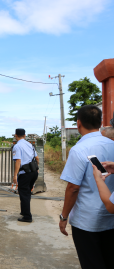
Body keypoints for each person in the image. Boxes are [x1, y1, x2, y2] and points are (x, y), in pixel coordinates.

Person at [59, 105, 114, 269]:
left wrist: (63, 217)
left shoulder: (78, 150)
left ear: (78, 123)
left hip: (87, 222)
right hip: (111, 218)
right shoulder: (112, 144)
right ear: (101, 122)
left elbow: (73, 188)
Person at [12, 128, 39, 223]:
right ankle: (24, 211)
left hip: (25, 173)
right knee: (26, 193)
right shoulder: (30, 145)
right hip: (34, 172)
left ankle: (27, 216)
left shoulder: (17, 146)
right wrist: (37, 169)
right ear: (24, 135)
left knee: (24, 194)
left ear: (15, 135)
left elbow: (18, 161)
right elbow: (37, 158)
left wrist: (15, 175)